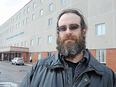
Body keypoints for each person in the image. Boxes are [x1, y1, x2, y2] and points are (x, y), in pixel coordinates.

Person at [19, 9, 116, 87]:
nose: (68, 32)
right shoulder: (38, 68)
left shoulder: (108, 76)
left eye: (73, 27)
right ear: (58, 33)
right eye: (62, 28)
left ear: (84, 32)